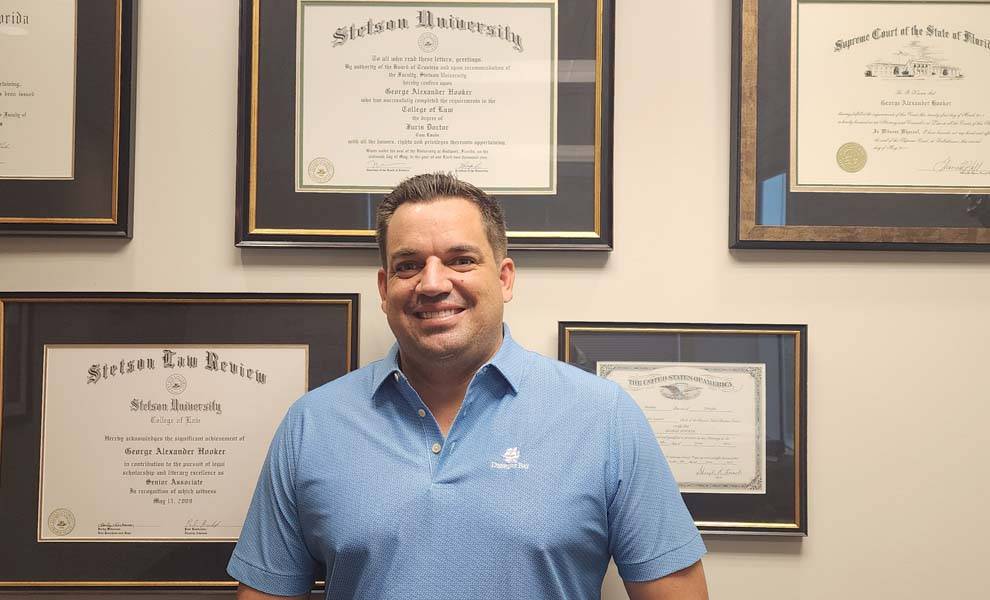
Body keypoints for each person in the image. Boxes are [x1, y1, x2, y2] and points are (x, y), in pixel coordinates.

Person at [228, 173, 709, 599]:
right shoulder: (313, 424)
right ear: (383, 288)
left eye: (460, 260)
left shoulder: (603, 417)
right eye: (408, 265)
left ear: (504, 279)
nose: (432, 283)